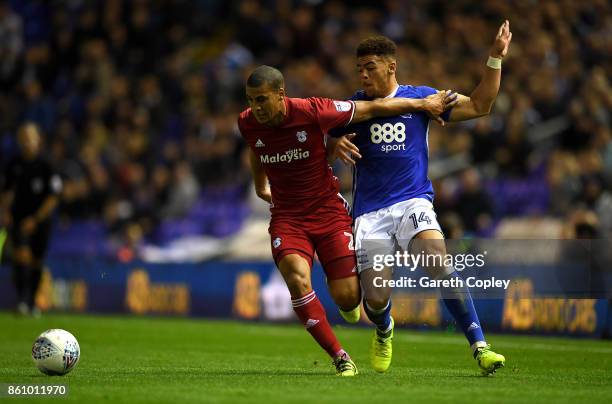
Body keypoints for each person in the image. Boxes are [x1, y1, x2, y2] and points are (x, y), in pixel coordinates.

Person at [238, 65, 455, 376]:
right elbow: (255, 147)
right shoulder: (247, 122)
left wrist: (420, 104)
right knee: (298, 280)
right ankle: (340, 357)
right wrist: (261, 187)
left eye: (261, 100)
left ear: (281, 95)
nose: (255, 108)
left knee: (349, 298)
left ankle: (350, 298)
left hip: (328, 212)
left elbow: (373, 107)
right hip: (287, 217)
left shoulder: (312, 110)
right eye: (250, 100)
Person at [328, 21, 512, 375]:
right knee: (376, 299)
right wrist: (333, 143)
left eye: (371, 67)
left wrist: (494, 58)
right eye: (359, 69)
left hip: (413, 201)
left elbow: (480, 105)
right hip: (370, 212)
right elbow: (322, 142)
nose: (364, 75)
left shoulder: (424, 98)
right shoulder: (352, 108)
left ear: (391, 66)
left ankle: (480, 346)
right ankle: (384, 328)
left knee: (439, 263)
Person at [0, 123, 62, 316]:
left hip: (41, 221)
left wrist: (35, 219)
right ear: (19, 141)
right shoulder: (14, 164)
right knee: (21, 257)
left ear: (38, 140)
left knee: (36, 261)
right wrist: (6, 211)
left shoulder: (46, 164)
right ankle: (22, 301)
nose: (28, 142)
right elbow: (6, 192)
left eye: (31, 137)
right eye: (24, 138)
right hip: (19, 219)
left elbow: (53, 196)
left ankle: (33, 302)